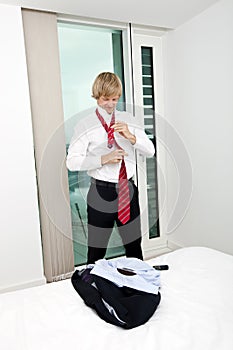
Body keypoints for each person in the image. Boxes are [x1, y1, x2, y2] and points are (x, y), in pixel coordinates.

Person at [66, 72, 155, 264]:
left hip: (127, 190)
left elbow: (150, 150)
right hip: (101, 191)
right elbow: (72, 162)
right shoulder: (85, 125)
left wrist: (131, 136)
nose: (110, 104)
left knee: (133, 246)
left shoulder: (128, 119)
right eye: (106, 99)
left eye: (115, 99)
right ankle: (92, 286)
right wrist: (103, 158)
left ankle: (137, 284)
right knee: (97, 249)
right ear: (96, 96)